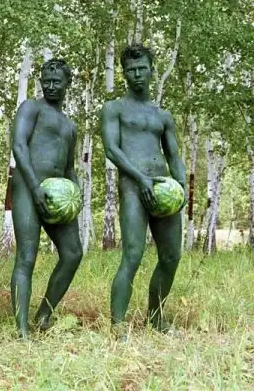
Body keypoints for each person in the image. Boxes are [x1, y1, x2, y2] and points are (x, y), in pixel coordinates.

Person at [101, 44, 187, 338]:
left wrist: (181, 188)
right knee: (133, 254)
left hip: (163, 188)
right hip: (133, 186)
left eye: (142, 69)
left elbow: (174, 156)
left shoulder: (163, 115)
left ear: (152, 70)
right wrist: (140, 179)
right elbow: (112, 149)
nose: (137, 74)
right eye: (131, 70)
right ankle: (118, 326)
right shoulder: (114, 109)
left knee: (171, 256)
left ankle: (156, 318)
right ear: (124, 74)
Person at [10, 58, 83, 339]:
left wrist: (75, 195)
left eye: (57, 82)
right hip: (28, 187)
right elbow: (19, 145)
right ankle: (21, 329)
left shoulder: (70, 125)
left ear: (68, 84)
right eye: (46, 81)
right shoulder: (31, 107)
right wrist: (34, 187)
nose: (51, 86)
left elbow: (69, 168)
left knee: (73, 254)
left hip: (57, 194)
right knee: (27, 256)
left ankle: (43, 315)